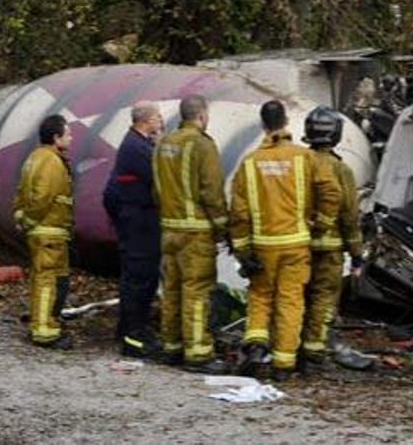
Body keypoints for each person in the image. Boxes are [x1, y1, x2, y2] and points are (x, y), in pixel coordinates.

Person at [229, 100, 341, 380]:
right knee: (291, 300)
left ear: (262, 125)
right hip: (296, 243)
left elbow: (239, 212)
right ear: (287, 122)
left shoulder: (250, 162)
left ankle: (255, 343)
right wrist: (321, 226)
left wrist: (243, 251)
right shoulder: (305, 157)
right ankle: (283, 364)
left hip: (264, 244)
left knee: (260, 296)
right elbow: (331, 192)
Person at [152, 94, 229, 374]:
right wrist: (223, 227)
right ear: (202, 115)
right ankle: (197, 352)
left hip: (169, 229)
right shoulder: (202, 145)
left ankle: (171, 346)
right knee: (197, 291)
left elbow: (157, 188)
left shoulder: (163, 144)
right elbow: (212, 191)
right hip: (195, 233)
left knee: (171, 290)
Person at [300, 106, 364, 368]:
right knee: (324, 297)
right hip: (330, 248)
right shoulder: (340, 169)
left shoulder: (298, 162)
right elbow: (349, 214)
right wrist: (357, 253)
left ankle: (290, 343)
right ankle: (315, 350)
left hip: (297, 245)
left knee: (298, 296)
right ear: (336, 135)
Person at [102, 101, 164, 358]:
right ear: (147, 120)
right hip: (138, 221)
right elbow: (160, 174)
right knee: (140, 275)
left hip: (137, 219)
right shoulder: (136, 148)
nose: (161, 121)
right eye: (158, 117)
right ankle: (133, 334)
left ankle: (130, 327)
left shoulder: (138, 144)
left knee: (138, 275)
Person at [13, 114, 74, 349]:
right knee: (47, 280)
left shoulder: (34, 158)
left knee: (44, 279)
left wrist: (20, 216)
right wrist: (30, 220)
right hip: (49, 231)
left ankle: (46, 321)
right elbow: (42, 197)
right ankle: (44, 331)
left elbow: (20, 192)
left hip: (45, 231)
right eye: (68, 134)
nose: (72, 138)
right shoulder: (51, 161)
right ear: (56, 137)